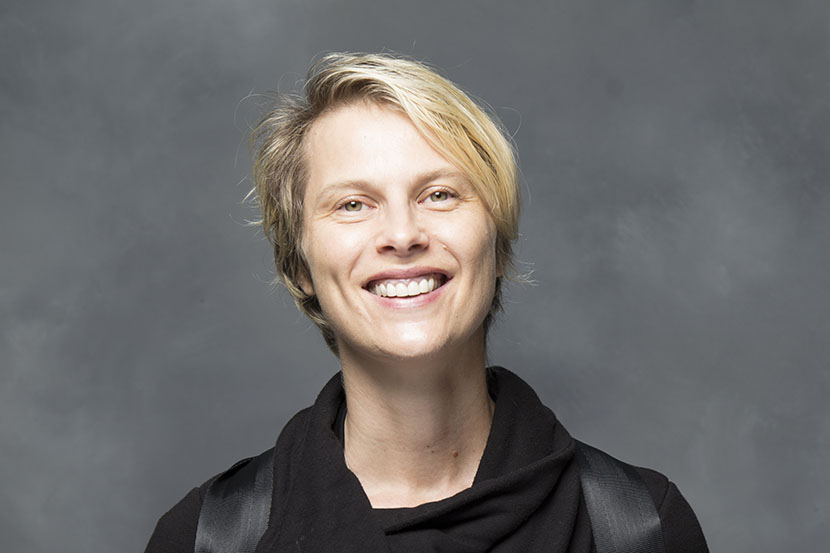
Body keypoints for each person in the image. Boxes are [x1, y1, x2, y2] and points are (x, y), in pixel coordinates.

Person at [144, 52, 708, 552]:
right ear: (300, 265)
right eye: (352, 205)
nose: (402, 233)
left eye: (439, 194)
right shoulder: (208, 537)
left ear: (498, 245)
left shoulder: (638, 528)